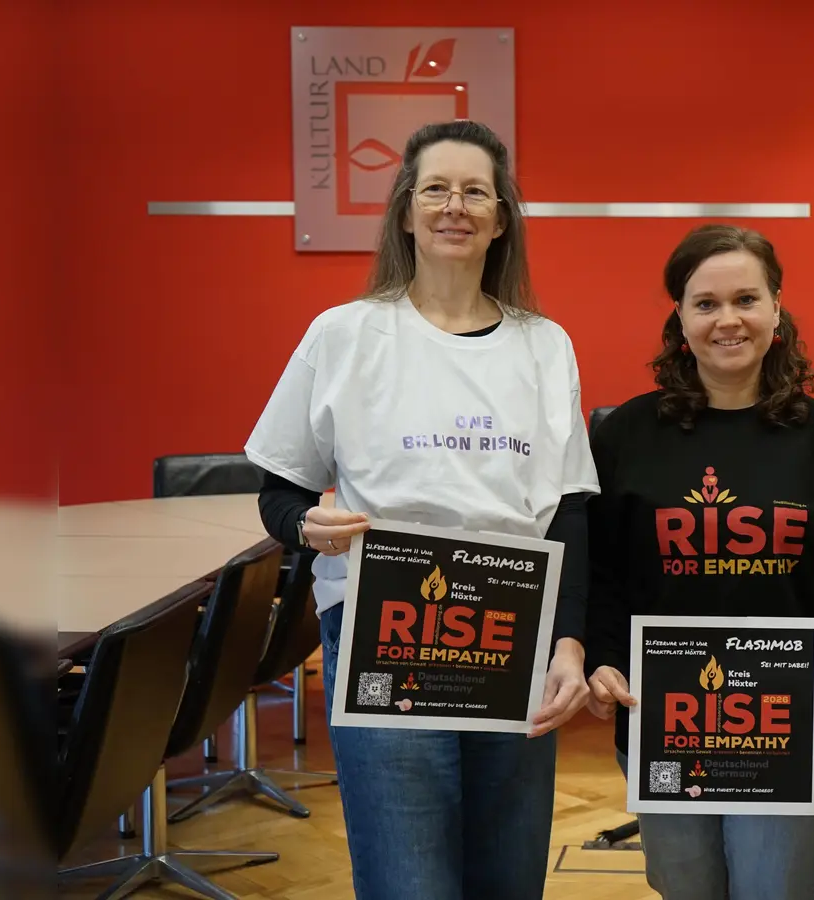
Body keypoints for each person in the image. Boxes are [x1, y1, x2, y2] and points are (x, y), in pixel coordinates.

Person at [244, 119, 596, 900]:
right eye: (436, 188)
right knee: (409, 878)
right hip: (385, 632)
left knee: (507, 874)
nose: (455, 205)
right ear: (405, 211)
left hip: (513, 633)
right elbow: (279, 488)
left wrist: (568, 644)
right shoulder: (344, 336)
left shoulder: (546, 346)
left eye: (478, 191)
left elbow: (569, 511)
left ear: (502, 218)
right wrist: (303, 526)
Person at [583, 224, 814, 900]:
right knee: (685, 889)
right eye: (705, 303)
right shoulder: (625, 435)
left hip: (792, 722)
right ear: (680, 319)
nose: (728, 319)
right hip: (666, 718)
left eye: (746, 298)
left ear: (776, 309)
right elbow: (598, 571)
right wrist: (602, 655)